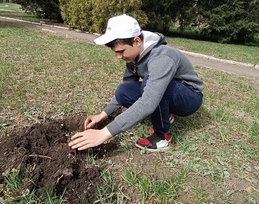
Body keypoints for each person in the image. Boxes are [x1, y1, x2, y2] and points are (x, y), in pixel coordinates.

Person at [69, 14, 204, 152]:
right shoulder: (133, 57)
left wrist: (104, 133)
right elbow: (128, 87)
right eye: (115, 52)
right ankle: (165, 111)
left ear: (137, 41)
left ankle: (162, 137)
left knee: (149, 84)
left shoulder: (162, 57)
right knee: (123, 90)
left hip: (189, 97)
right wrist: (102, 114)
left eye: (121, 51)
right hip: (167, 91)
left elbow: (149, 101)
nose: (118, 57)